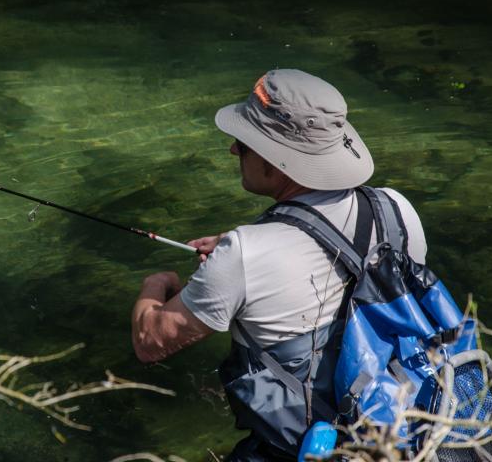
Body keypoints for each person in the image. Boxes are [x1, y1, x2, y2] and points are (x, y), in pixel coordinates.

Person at [131, 69, 428, 460]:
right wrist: (240, 250)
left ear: (277, 159)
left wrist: (155, 284)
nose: (234, 151)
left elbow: (151, 342)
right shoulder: (395, 207)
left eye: (244, 143)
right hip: (406, 427)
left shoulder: (243, 254)